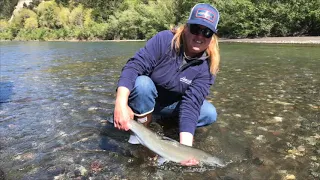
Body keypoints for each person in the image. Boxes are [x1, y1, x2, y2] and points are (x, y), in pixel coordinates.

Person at [113, 3, 220, 166]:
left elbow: (191, 104)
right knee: (142, 84)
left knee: (208, 112)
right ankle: (142, 128)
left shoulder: (208, 65)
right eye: (195, 29)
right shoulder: (164, 40)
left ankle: (167, 126)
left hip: (170, 106)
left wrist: (185, 150)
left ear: (212, 36)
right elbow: (133, 66)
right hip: (145, 98)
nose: (199, 36)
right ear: (186, 27)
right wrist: (120, 104)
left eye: (206, 32)